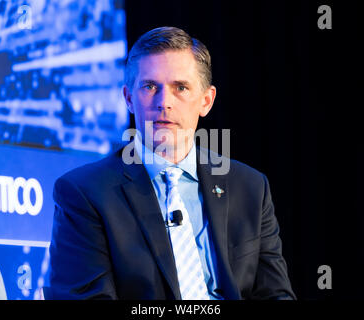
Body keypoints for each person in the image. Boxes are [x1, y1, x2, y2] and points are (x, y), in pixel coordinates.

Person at [46, 26, 296, 300]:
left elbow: (276, 295)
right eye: (150, 86)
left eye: (181, 88)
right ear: (129, 98)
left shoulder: (250, 187)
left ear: (206, 101)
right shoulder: (85, 193)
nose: (164, 102)